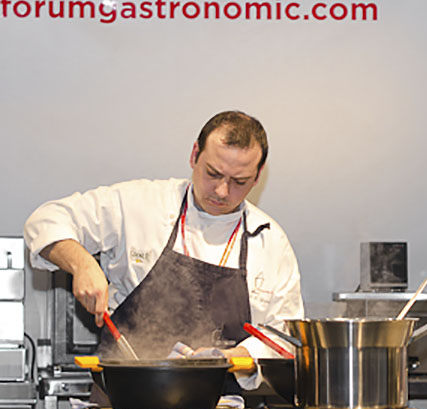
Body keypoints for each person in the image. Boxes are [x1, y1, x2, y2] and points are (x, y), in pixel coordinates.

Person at [24, 110, 303, 394]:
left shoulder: (271, 242)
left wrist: (236, 357)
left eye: (239, 181)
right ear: (194, 155)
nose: (221, 191)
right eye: (213, 173)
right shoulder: (139, 204)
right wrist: (82, 265)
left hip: (222, 408)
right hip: (123, 401)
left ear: (257, 176)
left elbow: (284, 336)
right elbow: (45, 221)